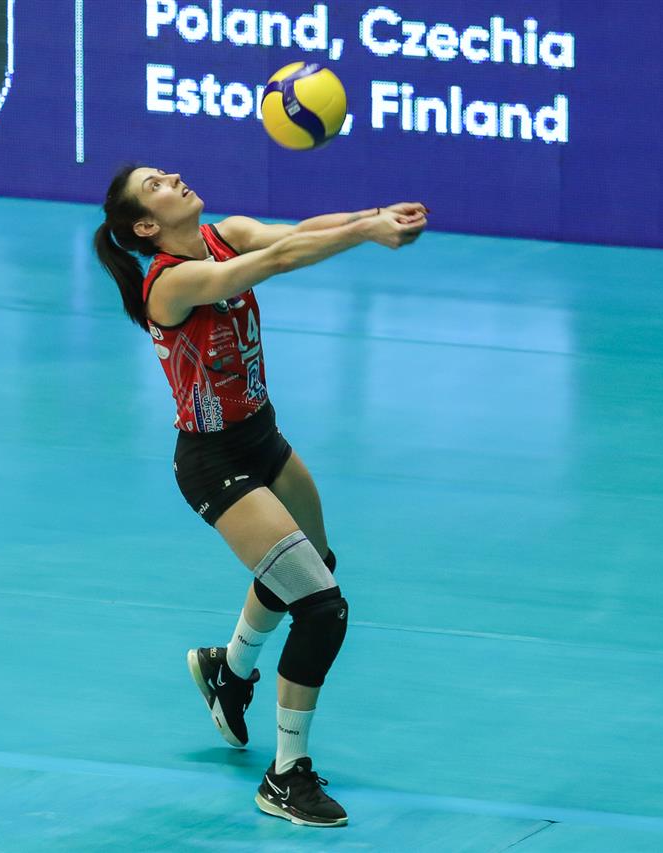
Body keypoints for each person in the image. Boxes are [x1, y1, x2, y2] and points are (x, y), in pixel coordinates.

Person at [93, 164, 427, 827]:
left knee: (314, 566)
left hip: (262, 438)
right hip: (214, 462)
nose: (175, 176)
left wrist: (372, 212)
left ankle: (231, 669)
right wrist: (368, 233)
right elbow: (275, 262)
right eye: (156, 184)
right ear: (147, 226)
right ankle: (286, 774)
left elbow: (294, 233)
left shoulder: (227, 233)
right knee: (322, 608)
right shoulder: (170, 283)